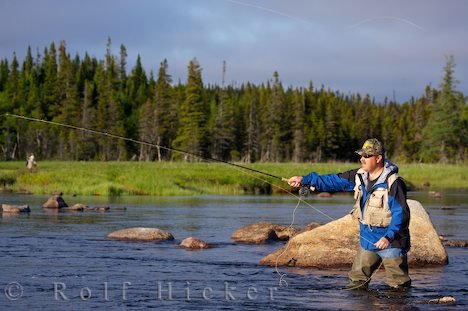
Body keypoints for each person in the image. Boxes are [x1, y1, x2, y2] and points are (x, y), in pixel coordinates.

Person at [287, 138, 411, 290]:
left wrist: (388, 236)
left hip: (391, 241)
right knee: (357, 282)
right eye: (361, 155)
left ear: (378, 158)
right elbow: (332, 181)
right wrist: (305, 180)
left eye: (366, 156)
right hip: (368, 240)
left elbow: (401, 214)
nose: (361, 159)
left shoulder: (394, 183)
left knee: (398, 287)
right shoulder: (359, 176)